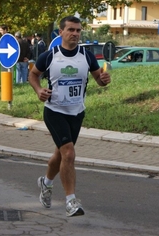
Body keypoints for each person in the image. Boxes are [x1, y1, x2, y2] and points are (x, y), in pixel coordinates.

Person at [29, 16, 111, 217]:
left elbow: (98, 80)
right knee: (69, 154)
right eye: (71, 30)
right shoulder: (49, 56)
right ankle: (70, 201)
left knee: (61, 154)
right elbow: (33, 75)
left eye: (78, 30)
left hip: (76, 112)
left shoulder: (87, 55)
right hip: (54, 111)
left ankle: (46, 183)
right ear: (61, 32)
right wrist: (38, 90)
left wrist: (104, 80)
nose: (75, 34)